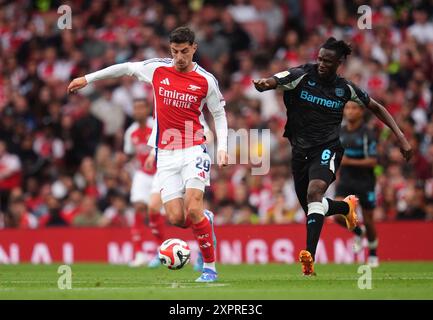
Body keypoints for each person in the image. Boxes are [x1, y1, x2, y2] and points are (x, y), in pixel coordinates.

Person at [68, 27, 228, 282]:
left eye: (185, 51)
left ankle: (210, 268)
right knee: (177, 218)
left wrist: (222, 148)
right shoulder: (157, 69)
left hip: (194, 147)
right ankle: (205, 220)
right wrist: (88, 78)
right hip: (165, 154)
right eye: (175, 51)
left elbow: (218, 113)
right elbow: (125, 68)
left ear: (194, 49)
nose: (179, 57)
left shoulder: (205, 80)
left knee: (193, 206)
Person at [253, 37, 412, 276]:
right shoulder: (302, 75)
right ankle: (344, 208)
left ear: (339, 62)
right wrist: (265, 83)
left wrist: (401, 137)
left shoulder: (344, 88)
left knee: (315, 191)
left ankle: (309, 258)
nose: (321, 64)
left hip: (327, 148)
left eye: (328, 61)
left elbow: (376, 107)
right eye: (319, 59)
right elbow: (278, 79)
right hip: (300, 150)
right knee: (312, 207)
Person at [334, 101, 379, 267]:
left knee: (369, 220)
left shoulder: (367, 133)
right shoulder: (340, 132)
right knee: (337, 215)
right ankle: (359, 233)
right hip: (346, 180)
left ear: (361, 111)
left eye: (353, 108)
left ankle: (373, 254)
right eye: (347, 108)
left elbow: (373, 162)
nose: (350, 111)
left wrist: (348, 161)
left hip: (365, 181)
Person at [123, 99, 166, 268]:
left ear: (147, 109)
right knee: (139, 207)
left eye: (141, 107)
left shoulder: (156, 125)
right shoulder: (130, 132)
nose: (138, 111)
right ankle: (139, 254)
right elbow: (128, 154)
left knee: (160, 213)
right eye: (135, 108)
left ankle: (161, 250)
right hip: (143, 173)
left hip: (161, 173)